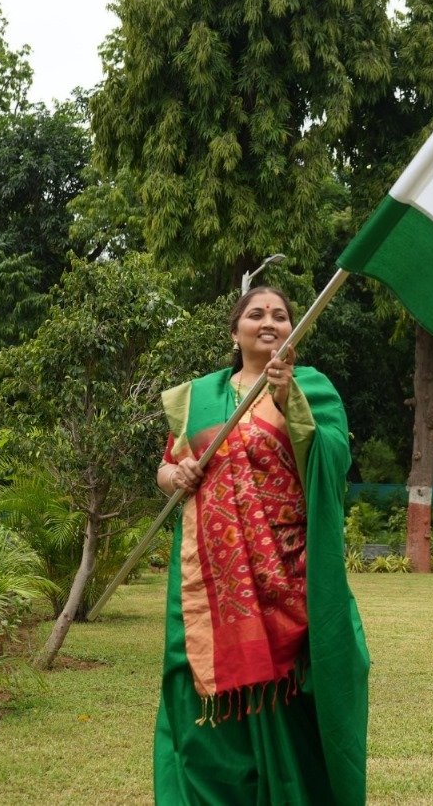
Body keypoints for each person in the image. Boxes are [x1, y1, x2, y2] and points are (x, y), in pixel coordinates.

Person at [153, 286, 368, 805]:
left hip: (287, 581)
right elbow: (167, 467)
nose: (268, 322)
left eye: (280, 315)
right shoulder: (199, 398)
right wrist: (173, 474)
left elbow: (332, 460)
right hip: (211, 585)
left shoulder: (311, 388)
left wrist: (287, 396)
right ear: (235, 332)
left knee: (289, 699)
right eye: (255, 314)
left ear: (293, 330)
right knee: (200, 699)